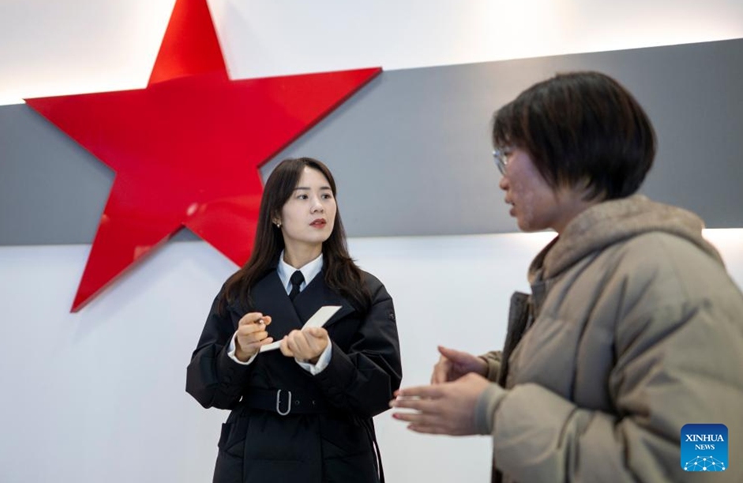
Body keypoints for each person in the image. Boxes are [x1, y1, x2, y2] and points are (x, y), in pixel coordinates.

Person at [390, 71, 743, 482]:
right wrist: (495, 374)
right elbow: (596, 378)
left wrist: (496, 412)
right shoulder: (589, 267)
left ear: (567, 151)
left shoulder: (672, 278)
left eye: (509, 155)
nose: (503, 180)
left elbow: (704, 461)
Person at [186, 157, 402, 483]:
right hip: (252, 454)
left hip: (336, 455)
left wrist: (326, 358)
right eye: (303, 196)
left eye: (326, 195)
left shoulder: (365, 291)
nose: (318, 206)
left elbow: (381, 390)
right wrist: (238, 352)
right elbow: (204, 389)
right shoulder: (239, 291)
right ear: (276, 214)